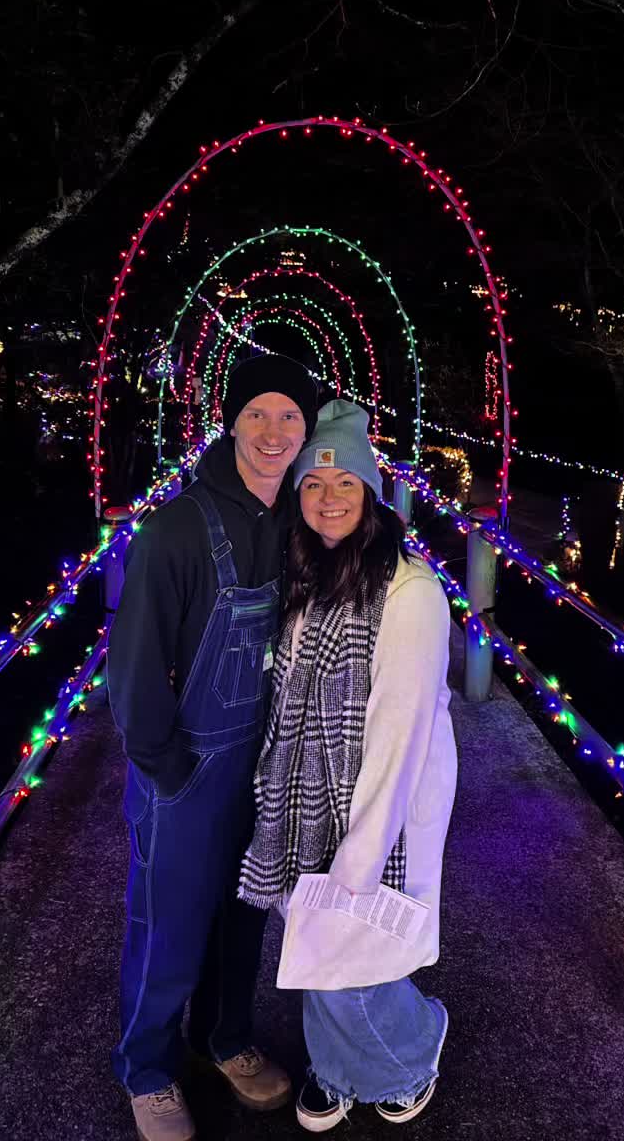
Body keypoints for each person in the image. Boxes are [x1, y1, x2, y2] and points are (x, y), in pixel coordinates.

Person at [107, 353, 319, 1141]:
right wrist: (164, 765)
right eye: (257, 413)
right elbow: (132, 668)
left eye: (290, 416)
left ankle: (224, 1039)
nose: (272, 432)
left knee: (243, 917)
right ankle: (149, 1070)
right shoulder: (175, 529)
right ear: (230, 420)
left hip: (262, 768)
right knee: (167, 925)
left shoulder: (297, 521)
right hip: (188, 769)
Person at [238, 399, 456, 1131]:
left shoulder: (411, 591)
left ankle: (411, 1048)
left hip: (383, 797)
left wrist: (360, 857)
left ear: (370, 496)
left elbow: (400, 733)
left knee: (357, 948)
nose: (329, 500)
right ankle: (335, 1068)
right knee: (315, 935)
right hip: (306, 791)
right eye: (314, 486)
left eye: (346, 486)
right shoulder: (312, 574)